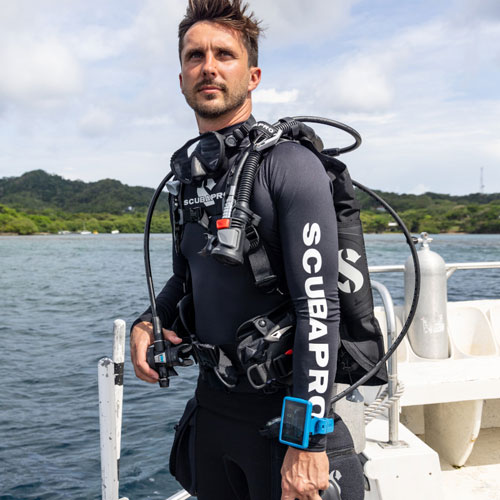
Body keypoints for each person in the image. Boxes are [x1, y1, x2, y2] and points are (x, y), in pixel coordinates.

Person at [130, 1, 365, 499]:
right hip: (213, 415)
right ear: (181, 78)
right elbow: (186, 279)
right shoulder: (188, 180)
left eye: (224, 54)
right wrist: (149, 321)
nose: (208, 67)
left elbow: (318, 311)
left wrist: (306, 442)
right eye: (195, 56)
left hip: (282, 423)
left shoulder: (289, 166)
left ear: (253, 74)